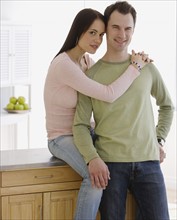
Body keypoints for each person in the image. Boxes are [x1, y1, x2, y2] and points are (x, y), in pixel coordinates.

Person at [73, 2, 174, 220]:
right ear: (106, 29)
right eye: (116, 27)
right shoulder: (91, 75)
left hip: (149, 162)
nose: (122, 34)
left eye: (128, 29)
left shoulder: (147, 67)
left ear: (134, 30)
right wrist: (92, 158)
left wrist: (159, 139)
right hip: (110, 165)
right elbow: (80, 125)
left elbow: (167, 105)